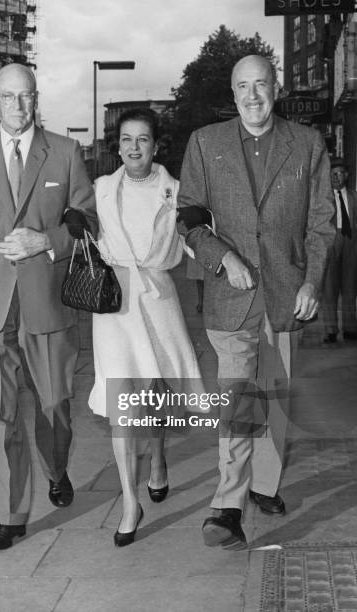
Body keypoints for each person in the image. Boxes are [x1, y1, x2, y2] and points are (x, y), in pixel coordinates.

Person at [177, 55, 335, 548]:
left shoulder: (307, 143)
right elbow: (188, 217)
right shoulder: (206, 143)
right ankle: (227, 505)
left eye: (261, 84)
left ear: (276, 87)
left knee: (276, 396)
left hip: (287, 294)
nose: (252, 95)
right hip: (233, 296)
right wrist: (223, 259)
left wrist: (311, 282)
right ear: (233, 91)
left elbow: (321, 223)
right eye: (243, 86)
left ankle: (265, 484)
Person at [0, 63, 97, 550]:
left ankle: (56, 468)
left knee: (55, 406)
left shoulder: (66, 152)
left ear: (37, 98)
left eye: (25, 96)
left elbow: (88, 222)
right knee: (0, 412)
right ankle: (11, 514)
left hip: (47, 299)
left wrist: (45, 241)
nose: (17, 106)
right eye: (7, 97)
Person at [88, 108, 206, 547]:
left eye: (142, 139)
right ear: (116, 145)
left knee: (155, 394)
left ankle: (157, 461)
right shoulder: (101, 189)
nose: (133, 147)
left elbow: (196, 243)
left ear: (156, 146)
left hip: (158, 300)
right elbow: (82, 236)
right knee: (123, 402)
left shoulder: (176, 190)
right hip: (115, 307)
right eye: (125, 139)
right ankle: (129, 501)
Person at [322, 157, 357, 343]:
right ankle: (330, 330)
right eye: (333, 174)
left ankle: (351, 329)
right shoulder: (323, 198)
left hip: (351, 243)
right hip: (330, 244)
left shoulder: (354, 196)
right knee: (330, 289)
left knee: (350, 288)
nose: (336, 177)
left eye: (340, 174)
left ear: (346, 175)